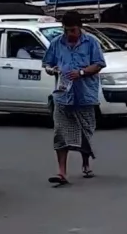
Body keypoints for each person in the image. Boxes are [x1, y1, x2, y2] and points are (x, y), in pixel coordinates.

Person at [42, 11, 106, 187]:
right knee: (60, 134)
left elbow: (99, 64)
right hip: (62, 97)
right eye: (67, 30)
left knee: (85, 132)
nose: (69, 34)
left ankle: (85, 163)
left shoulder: (91, 42)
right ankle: (62, 172)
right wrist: (51, 69)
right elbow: (47, 63)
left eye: (73, 30)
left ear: (80, 28)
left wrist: (82, 73)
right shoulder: (57, 43)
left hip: (85, 95)